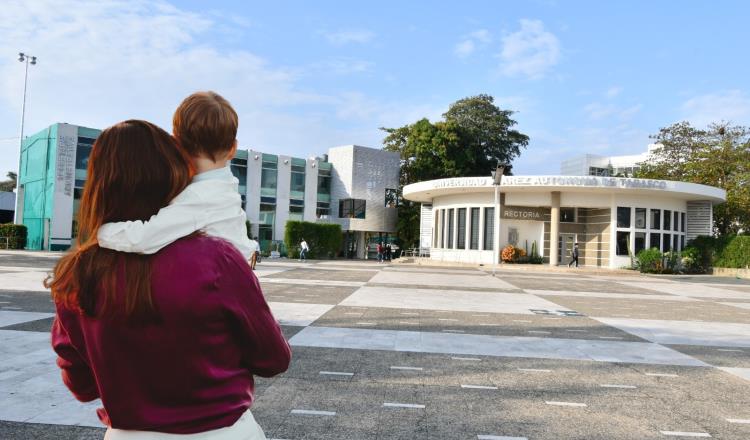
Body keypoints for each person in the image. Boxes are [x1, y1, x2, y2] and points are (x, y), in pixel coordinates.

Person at [47, 120, 290, 439]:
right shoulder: (218, 258)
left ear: (98, 186)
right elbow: (272, 359)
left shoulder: (76, 274)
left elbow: (80, 384)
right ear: (173, 177)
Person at [97, 91, 252, 259]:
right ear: (233, 149)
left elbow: (143, 239)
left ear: (176, 144)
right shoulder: (226, 186)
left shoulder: (198, 198)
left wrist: (102, 232)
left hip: (219, 281)